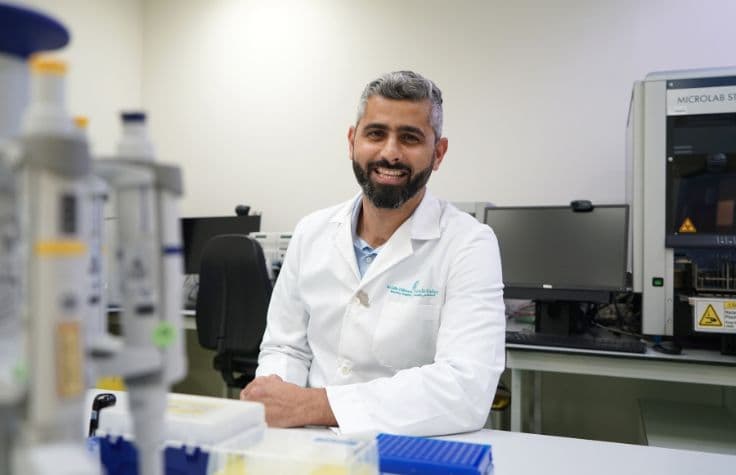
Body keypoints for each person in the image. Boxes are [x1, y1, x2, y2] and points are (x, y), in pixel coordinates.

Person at [240, 70, 505, 436]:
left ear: (438, 153)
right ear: (353, 141)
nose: (390, 152)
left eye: (410, 138)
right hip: (306, 438)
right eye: (376, 133)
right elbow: (286, 347)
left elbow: (465, 387)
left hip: (413, 444)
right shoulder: (311, 232)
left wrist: (314, 405)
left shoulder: (469, 244)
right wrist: (278, 399)